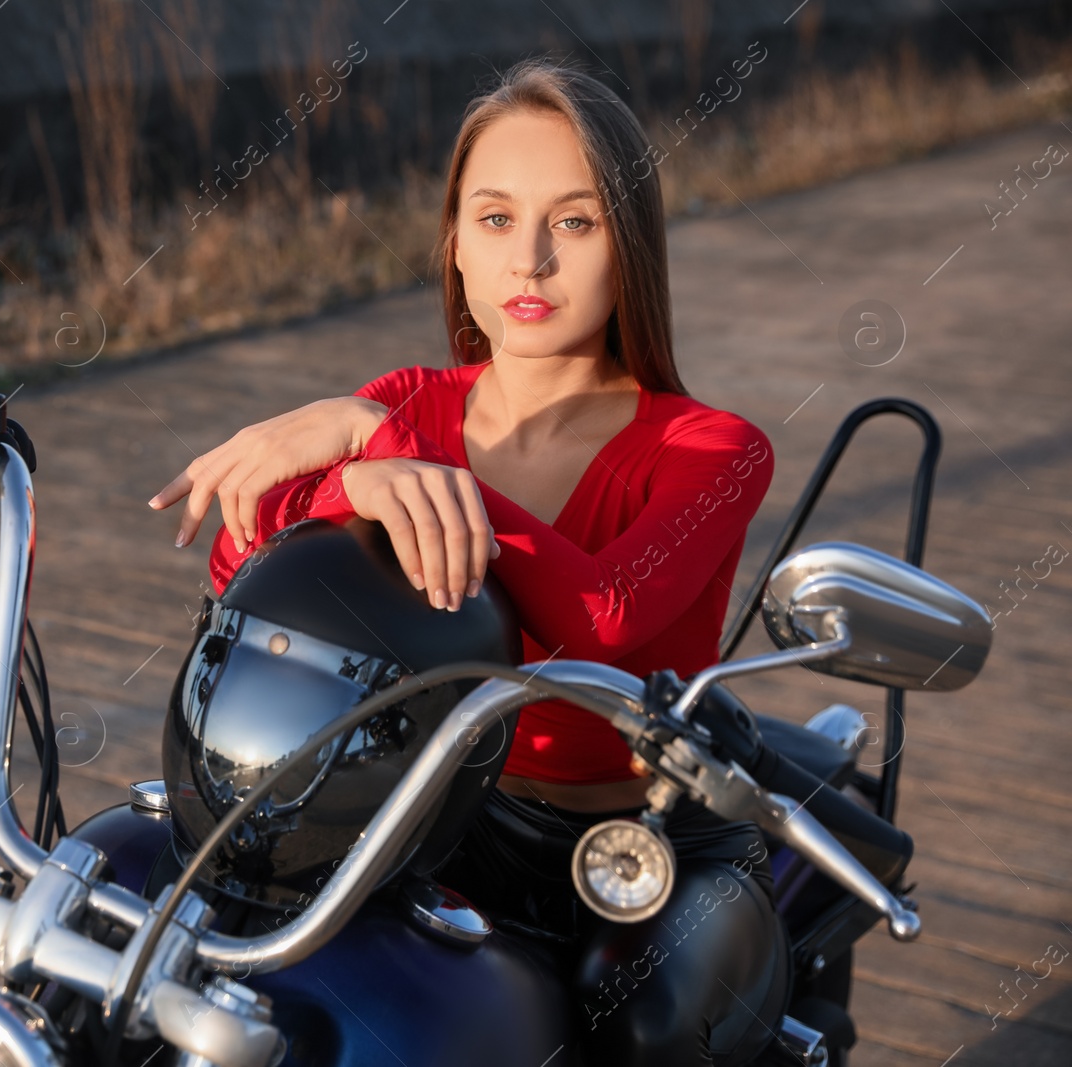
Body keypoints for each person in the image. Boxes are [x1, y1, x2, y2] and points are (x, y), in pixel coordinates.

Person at [149, 58, 785, 1067]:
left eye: (573, 222)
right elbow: (246, 570)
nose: (528, 260)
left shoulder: (712, 446)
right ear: (452, 244)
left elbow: (602, 614)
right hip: (429, 811)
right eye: (494, 219)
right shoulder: (403, 401)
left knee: (650, 1025)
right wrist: (352, 474)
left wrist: (385, 454)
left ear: (632, 246)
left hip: (624, 846)